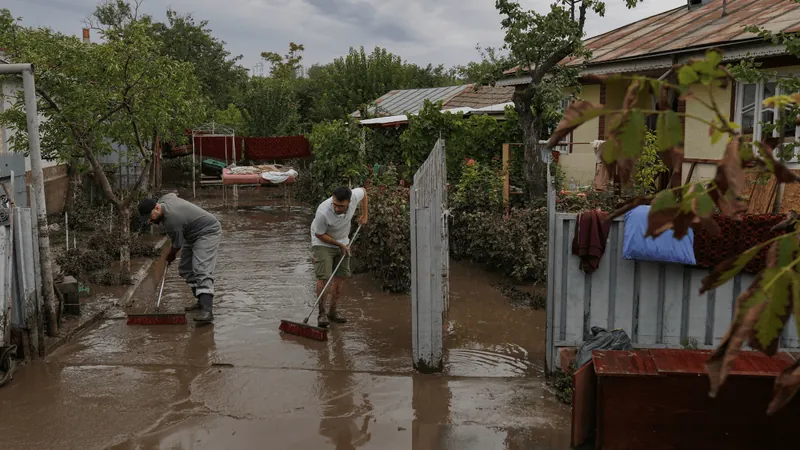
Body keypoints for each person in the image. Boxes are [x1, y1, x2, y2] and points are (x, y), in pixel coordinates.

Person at [138, 193, 222, 324]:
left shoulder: (172, 220)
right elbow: (171, 195)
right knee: (185, 269)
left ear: (157, 208)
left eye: (150, 217)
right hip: (191, 233)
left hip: (208, 231)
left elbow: (177, 245)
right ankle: (201, 301)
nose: (149, 221)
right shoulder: (164, 200)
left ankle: (207, 311)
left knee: (201, 268)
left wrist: (170, 256)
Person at [310, 186, 368, 327]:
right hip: (322, 241)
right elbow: (319, 234)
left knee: (340, 277)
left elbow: (364, 192)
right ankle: (321, 313)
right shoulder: (323, 212)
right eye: (335, 205)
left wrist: (364, 215)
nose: (337, 208)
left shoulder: (354, 196)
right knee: (323, 277)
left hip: (343, 240)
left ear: (349, 202)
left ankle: (333, 311)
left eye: (341, 206)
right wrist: (339, 245)